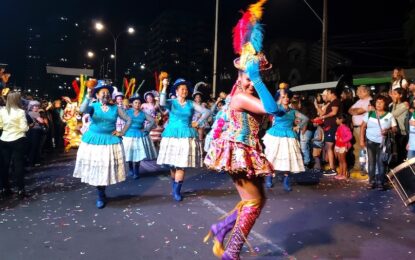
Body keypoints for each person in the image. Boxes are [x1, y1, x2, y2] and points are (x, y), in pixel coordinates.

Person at [204, 1, 282, 257]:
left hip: (248, 149)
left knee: (259, 200)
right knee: (252, 202)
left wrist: (258, 80)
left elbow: (276, 109)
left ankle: (220, 228)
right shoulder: (239, 97)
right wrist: (257, 80)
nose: (251, 83)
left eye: (255, 78)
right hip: (237, 151)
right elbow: (271, 109)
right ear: (239, 76)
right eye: (248, 78)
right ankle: (231, 252)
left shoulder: (247, 94)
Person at [73, 81, 131, 209]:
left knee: (105, 168)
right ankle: (100, 195)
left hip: (110, 141)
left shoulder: (116, 108)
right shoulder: (93, 106)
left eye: (108, 92)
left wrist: (122, 132)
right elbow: (82, 110)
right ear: (98, 95)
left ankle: (102, 192)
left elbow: (128, 119)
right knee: (97, 168)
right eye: (102, 92)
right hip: (94, 141)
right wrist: (88, 95)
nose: (106, 94)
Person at [157, 78, 210, 201]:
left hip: (186, 135)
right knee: (172, 165)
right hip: (171, 135)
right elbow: (162, 102)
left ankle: (176, 191)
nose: (184, 91)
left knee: (181, 164)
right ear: (176, 91)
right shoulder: (172, 102)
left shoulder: (191, 103)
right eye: (182, 89)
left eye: (186, 89)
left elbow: (206, 111)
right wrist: (164, 86)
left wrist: (198, 122)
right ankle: (174, 182)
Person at [262, 90, 308, 190]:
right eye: (283, 97)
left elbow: (305, 119)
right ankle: (269, 177)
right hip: (276, 135)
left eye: (287, 97)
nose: (286, 99)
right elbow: (270, 110)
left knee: (288, 157)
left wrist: (298, 126)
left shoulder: (293, 111)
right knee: (272, 156)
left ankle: (286, 182)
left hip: (289, 135)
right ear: (280, 99)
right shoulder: (277, 109)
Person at [360, 95, 397, 191]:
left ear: (385, 104)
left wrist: (388, 130)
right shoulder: (369, 114)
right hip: (370, 141)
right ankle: (371, 182)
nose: (379, 104)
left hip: (383, 143)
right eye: (377, 102)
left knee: (381, 162)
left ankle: (381, 182)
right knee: (371, 162)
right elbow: (362, 127)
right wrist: (361, 140)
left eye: (381, 102)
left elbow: (395, 129)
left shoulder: (389, 115)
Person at [0, 92, 29, 199]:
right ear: (17, 100)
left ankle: (4, 188)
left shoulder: (2, 111)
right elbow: (24, 128)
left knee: (4, 165)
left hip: (4, 139)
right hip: (18, 139)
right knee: (18, 165)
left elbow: (0, 125)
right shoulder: (20, 112)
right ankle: (21, 190)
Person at [123, 94, 157, 179]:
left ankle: (136, 171)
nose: (137, 104)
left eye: (139, 103)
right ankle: (131, 168)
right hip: (129, 135)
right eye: (135, 103)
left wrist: (147, 129)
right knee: (129, 153)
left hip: (139, 135)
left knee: (137, 154)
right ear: (132, 104)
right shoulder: (127, 112)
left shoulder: (143, 114)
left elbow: (152, 121)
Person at [316, 89, 341, 176]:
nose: (327, 96)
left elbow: (334, 112)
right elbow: (323, 113)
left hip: (332, 127)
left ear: (332, 94)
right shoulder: (331, 103)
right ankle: (332, 166)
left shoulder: (335, 102)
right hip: (328, 127)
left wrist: (323, 117)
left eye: (328, 94)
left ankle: (333, 168)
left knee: (329, 146)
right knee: (329, 147)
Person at [390, 88, 409, 165]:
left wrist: (394, 103)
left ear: (400, 95)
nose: (393, 96)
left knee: (402, 152)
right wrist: (394, 103)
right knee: (398, 151)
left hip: (403, 132)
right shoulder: (393, 104)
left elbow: (392, 115)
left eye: (395, 94)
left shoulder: (404, 104)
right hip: (396, 131)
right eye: (392, 94)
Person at [334, 114, 352, 180]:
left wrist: (343, 140)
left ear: (341, 120)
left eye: (337, 119)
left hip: (343, 146)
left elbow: (350, 136)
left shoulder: (345, 127)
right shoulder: (338, 127)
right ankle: (340, 173)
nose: (336, 120)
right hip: (338, 146)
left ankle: (344, 174)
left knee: (343, 160)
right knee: (340, 160)